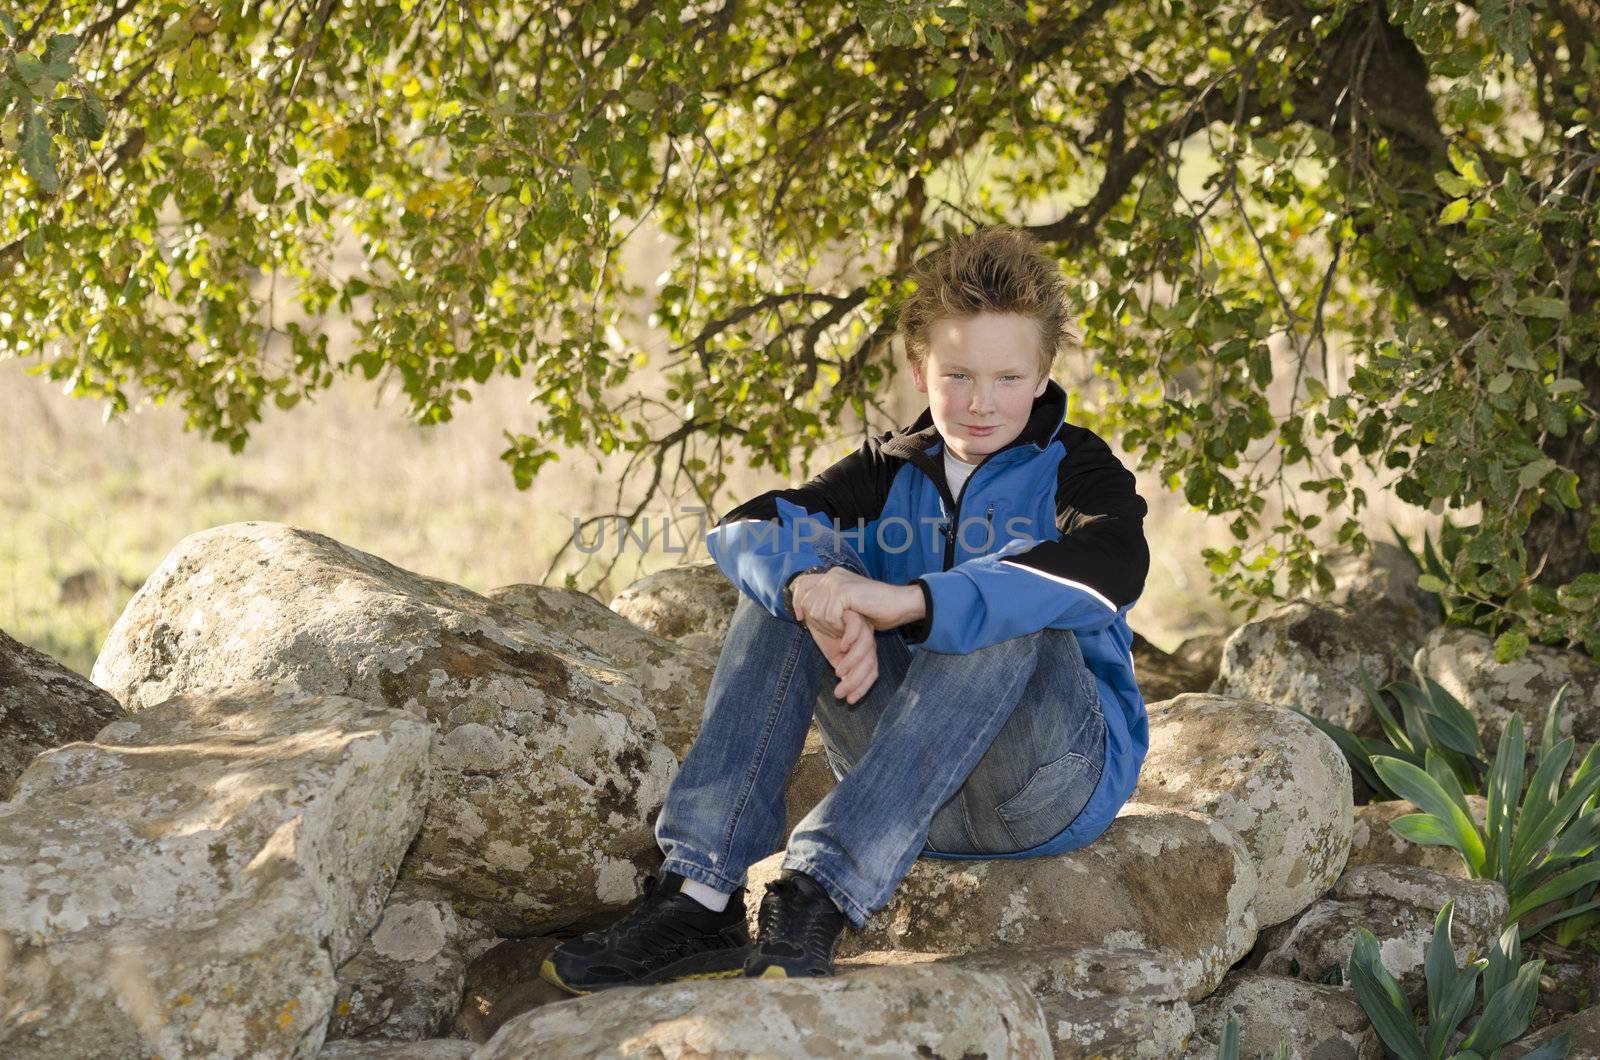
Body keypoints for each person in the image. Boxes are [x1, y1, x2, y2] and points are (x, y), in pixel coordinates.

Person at [541, 225, 1150, 995]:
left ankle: (818, 888)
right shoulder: (887, 467)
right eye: (957, 375)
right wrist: (817, 595)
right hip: (899, 784)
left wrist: (911, 602)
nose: (981, 403)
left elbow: (1117, 566)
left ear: (1042, 374)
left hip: (1042, 785)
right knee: (800, 578)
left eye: (1006, 378)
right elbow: (742, 526)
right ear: (918, 364)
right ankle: (701, 893)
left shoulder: (1079, 469)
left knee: (1002, 603)